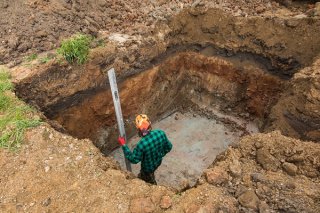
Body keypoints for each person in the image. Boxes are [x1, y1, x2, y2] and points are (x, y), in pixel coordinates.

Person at [118, 114, 172, 184]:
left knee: (149, 179)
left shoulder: (142, 144)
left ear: (138, 129)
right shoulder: (160, 133)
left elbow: (134, 159)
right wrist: (160, 154)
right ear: (150, 123)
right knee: (150, 172)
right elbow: (169, 147)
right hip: (158, 162)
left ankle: (151, 183)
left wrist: (123, 145)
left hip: (147, 169)